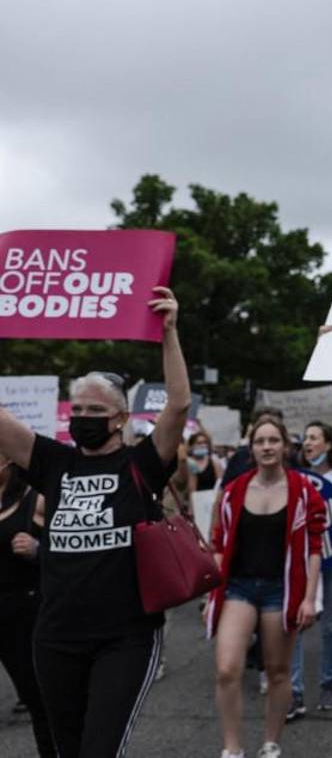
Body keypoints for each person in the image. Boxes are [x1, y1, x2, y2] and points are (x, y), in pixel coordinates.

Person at [0, 287, 188, 758]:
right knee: (66, 749)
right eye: (77, 410)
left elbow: (178, 407)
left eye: (95, 412)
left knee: (99, 751)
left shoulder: (142, 463)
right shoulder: (53, 461)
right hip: (56, 634)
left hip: (124, 636)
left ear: (121, 418)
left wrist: (169, 333)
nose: (83, 418)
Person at [208, 415, 325, 758]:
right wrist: (210, 596)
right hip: (239, 588)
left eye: (273, 440)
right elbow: (218, 543)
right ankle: (232, 748)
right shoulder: (233, 492)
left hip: (281, 590)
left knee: (276, 670)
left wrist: (308, 599)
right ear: (252, 448)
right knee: (227, 667)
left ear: (285, 446)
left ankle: (271, 744)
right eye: (260, 441)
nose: (267, 447)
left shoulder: (304, 491)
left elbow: (314, 548)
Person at [286, 421, 332, 720]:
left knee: (330, 625)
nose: (308, 442)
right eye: (306, 438)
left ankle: (327, 684)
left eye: (314, 437)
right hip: (301, 560)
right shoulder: (294, 479)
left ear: (328, 444)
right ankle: (295, 691)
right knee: (295, 624)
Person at [0, 456, 54, 756]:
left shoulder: (37, 499)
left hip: (26, 612)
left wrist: (38, 550)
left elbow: (69, 551)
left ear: (8, 459)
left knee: (40, 700)